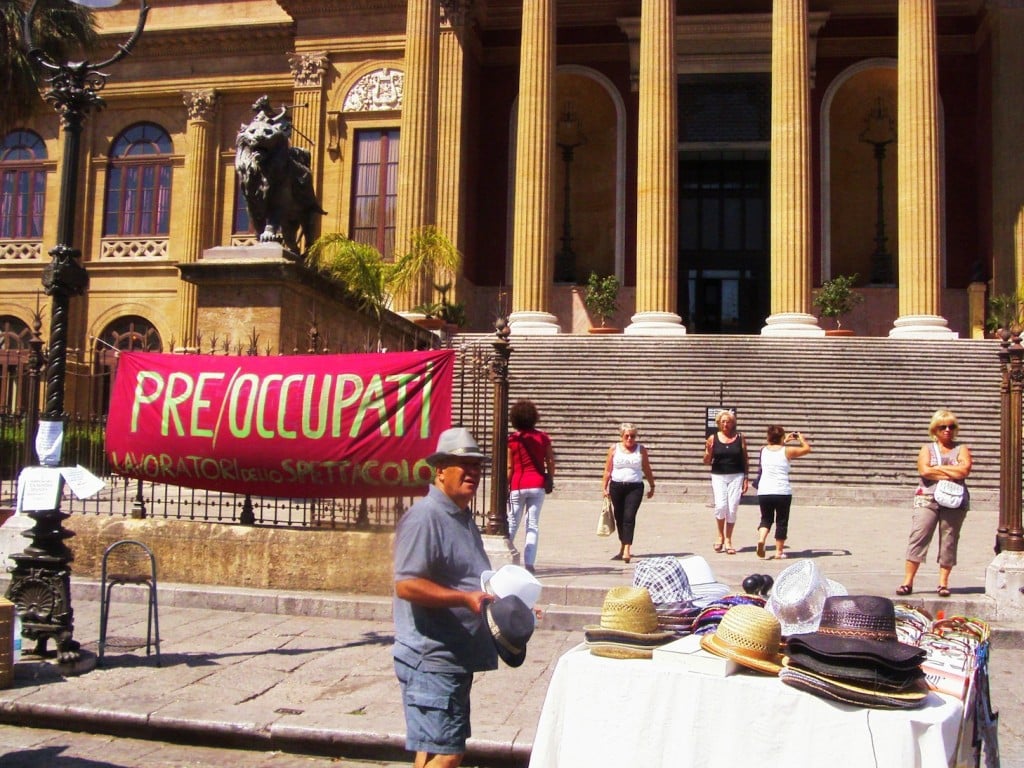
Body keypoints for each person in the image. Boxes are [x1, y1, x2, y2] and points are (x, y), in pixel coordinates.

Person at [393, 427, 497, 768]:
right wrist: (462, 599)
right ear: (440, 471)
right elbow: (407, 585)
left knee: (432, 748)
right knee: (449, 754)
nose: (472, 473)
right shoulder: (426, 517)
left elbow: (471, 577)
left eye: (476, 466)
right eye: (462, 465)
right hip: (431, 657)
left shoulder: (460, 516)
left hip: (451, 657)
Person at [897, 409, 973, 598]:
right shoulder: (927, 448)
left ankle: (943, 583)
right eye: (942, 427)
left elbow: (964, 471)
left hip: (954, 501)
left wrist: (938, 468)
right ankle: (908, 581)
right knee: (919, 536)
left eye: (951, 426)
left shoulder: (961, 448)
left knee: (949, 539)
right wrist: (952, 470)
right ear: (935, 429)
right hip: (927, 498)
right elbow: (924, 471)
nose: (947, 430)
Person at [507, 399, 555, 575]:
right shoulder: (542, 437)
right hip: (537, 483)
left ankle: (508, 557)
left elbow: (509, 466)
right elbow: (550, 460)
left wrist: (505, 484)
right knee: (532, 524)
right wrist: (550, 476)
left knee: (512, 522)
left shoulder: (512, 439)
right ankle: (529, 563)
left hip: (517, 484)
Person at [755, 426, 812, 560]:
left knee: (766, 518)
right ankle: (779, 552)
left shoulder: (763, 450)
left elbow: (774, 447)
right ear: (781, 437)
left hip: (764, 491)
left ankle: (762, 539)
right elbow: (807, 449)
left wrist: (784, 440)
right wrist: (801, 439)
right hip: (782, 491)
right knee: (781, 521)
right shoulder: (787, 451)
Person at [602, 423, 656, 564]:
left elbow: (647, 468)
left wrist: (652, 485)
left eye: (633, 436)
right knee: (619, 517)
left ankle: (627, 548)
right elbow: (608, 470)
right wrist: (604, 487)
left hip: (635, 487)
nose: (630, 439)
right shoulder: (614, 449)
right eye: (627, 436)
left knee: (629, 516)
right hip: (617, 486)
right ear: (621, 436)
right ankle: (622, 544)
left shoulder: (641, 449)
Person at [703, 409, 749, 555]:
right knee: (721, 506)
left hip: (736, 475)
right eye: (723, 422)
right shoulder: (713, 438)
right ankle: (720, 535)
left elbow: (745, 458)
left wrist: (746, 477)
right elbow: (706, 461)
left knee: (732, 507)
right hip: (719, 475)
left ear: (733, 423)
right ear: (718, 423)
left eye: (728, 422)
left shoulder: (740, 437)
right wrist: (709, 452)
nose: (725, 424)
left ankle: (728, 539)